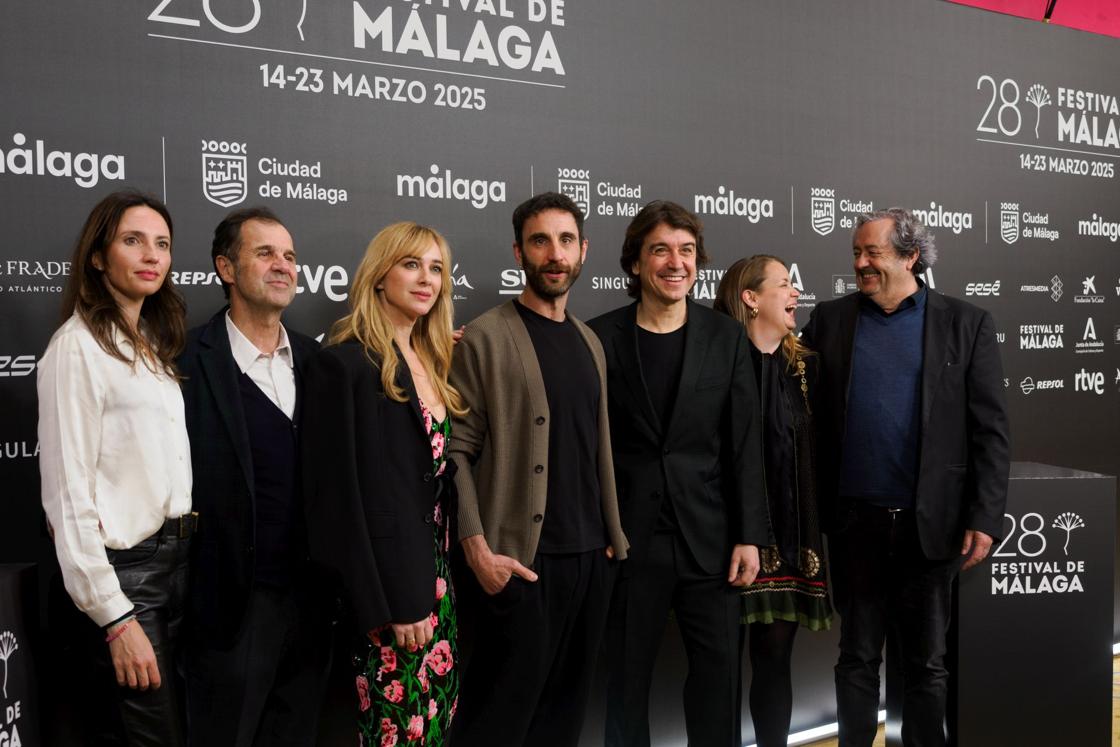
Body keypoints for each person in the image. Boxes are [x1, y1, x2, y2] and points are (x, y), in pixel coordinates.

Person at [802, 208, 1010, 747]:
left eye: (873, 252)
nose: (860, 263)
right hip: (854, 525)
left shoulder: (966, 324)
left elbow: (990, 431)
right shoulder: (830, 319)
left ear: (911, 255)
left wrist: (985, 517)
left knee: (926, 666)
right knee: (856, 660)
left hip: (931, 525)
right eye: (856, 252)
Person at [448, 192, 628, 747]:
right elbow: (454, 451)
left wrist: (609, 537)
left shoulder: (589, 340)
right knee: (498, 718)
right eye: (540, 241)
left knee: (564, 718)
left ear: (583, 250)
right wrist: (477, 548)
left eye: (566, 240)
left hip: (590, 560)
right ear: (519, 251)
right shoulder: (486, 336)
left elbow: (594, 450)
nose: (555, 253)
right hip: (519, 562)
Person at [588, 200, 769, 747]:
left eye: (686, 251)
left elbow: (744, 444)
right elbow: (585, 447)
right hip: (627, 543)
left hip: (709, 540)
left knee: (718, 683)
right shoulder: (597, 338)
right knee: (624, 686)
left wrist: (749, 536)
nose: (675, 262)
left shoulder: (725, 337)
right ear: (637, 262)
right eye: (660, 250)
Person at [301, 222, 465, 747]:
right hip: (391, 600)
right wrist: (387, 604)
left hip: (438, 584)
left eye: (436, 268)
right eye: (411, 264)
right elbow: (337, 503)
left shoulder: (434, 361)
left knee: (434, 726)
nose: (427, 279)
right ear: (379, 275)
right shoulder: (344, 363)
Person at [38, 189, 193, 746]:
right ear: (98, 256)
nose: (152, 255)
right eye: (133, 241)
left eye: (162, 244)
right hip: (127, 580)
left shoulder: (149, 343)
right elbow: (66, 495)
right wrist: (115, 618)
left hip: (177, 567)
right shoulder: (75, 349)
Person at [178, 206, 331, 746]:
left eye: (289, 256)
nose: (283, 265)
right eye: (264, 253)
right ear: (226, 267)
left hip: (312, 607)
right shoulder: (183, 362)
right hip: (229, 610)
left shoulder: (319, 363)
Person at [713, 255, 832, 747]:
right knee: (715, 670)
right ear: (750, 298)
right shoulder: (714, 363)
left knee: (774, 662)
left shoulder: (806, 366)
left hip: (790, 536)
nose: (795, 293)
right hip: (722, 540)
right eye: (784, 284)